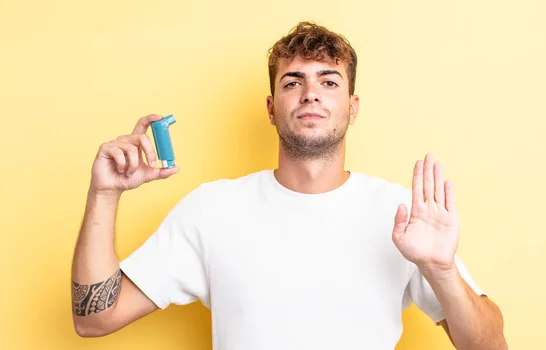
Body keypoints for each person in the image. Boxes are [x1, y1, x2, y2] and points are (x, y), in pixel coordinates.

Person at [71, 21, 507, 349]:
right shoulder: (213, 209)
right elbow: (94, 318)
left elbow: (489, 346)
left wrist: (441, 271)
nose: (310, 93)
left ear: (352, 108)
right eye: (293, 81)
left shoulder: (402, 216)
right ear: (271, 107)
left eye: (329, 81)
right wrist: (104, 195)